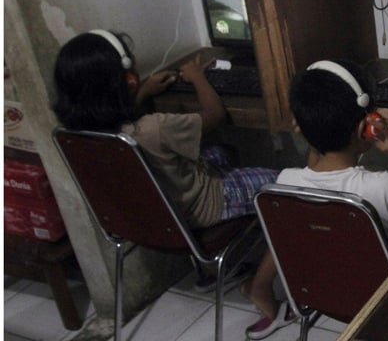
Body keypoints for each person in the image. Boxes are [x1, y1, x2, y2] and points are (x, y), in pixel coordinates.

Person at [240, 59, 388, 339]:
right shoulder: (386, 190)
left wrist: (312, 131)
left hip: (329, 298)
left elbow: (317, 167)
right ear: (368, 125)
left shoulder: (285, 185)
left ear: (299, 126)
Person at [53, 29, 279, 288]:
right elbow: (215, 114)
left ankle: (208, 271)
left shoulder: (77, 134)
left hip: (148, 222)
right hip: (204, 206)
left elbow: (119, 121)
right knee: (282, 185)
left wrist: (144, 92)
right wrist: (197, 77)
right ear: (127, 79)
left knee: (221, 152)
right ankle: (259, 285)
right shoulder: (154, 128)